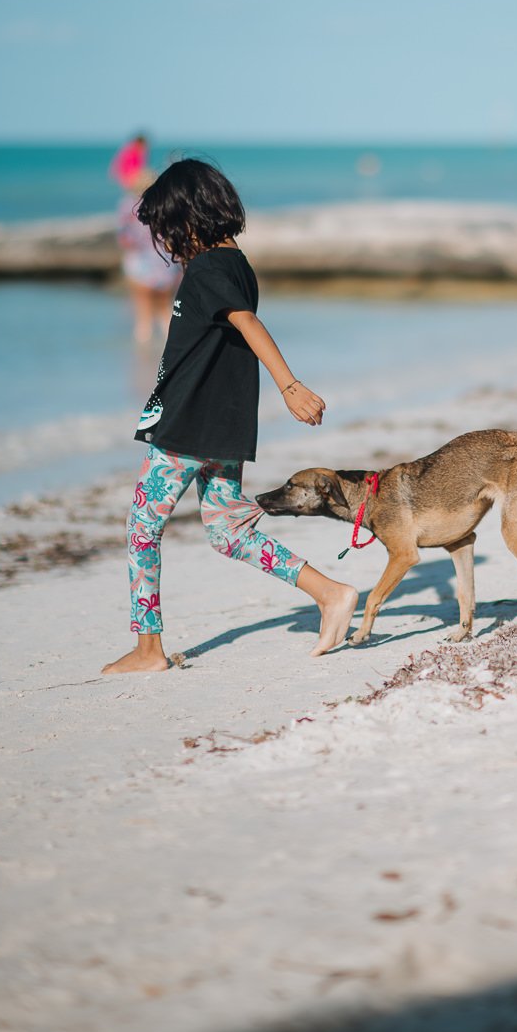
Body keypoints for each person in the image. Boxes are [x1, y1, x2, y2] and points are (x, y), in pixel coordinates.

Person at [102, 158, 357, 674]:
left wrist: (289, 385)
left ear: (190, 216)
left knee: (142, 528)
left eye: (168, 228)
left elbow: (248, 324)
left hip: (187, 425)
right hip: (221, 425)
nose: (166, 241)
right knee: (228, 530)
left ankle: (148, 648)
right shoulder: (236, 263)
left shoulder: (209, 270)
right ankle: (330, 593)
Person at [116, 168, 183, 344]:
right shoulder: (167, 205)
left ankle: (143, 352)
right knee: (165, 310)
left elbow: (124, 238)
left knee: (143, 315)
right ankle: (170, 349)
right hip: (165, 262)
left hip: (140, 263)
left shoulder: (128, 205)